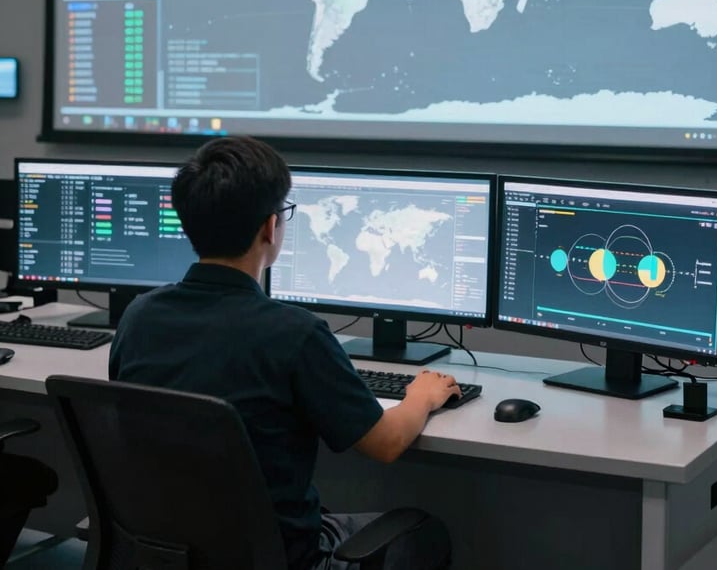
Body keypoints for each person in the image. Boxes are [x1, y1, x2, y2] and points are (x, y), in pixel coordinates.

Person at [109, 135, 457, 570]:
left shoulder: (138, 317)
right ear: (270, 228)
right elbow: (385, 444)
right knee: (425, 532)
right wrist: (421, 396)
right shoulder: (295, 333)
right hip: (276, 557)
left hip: (167, 552)